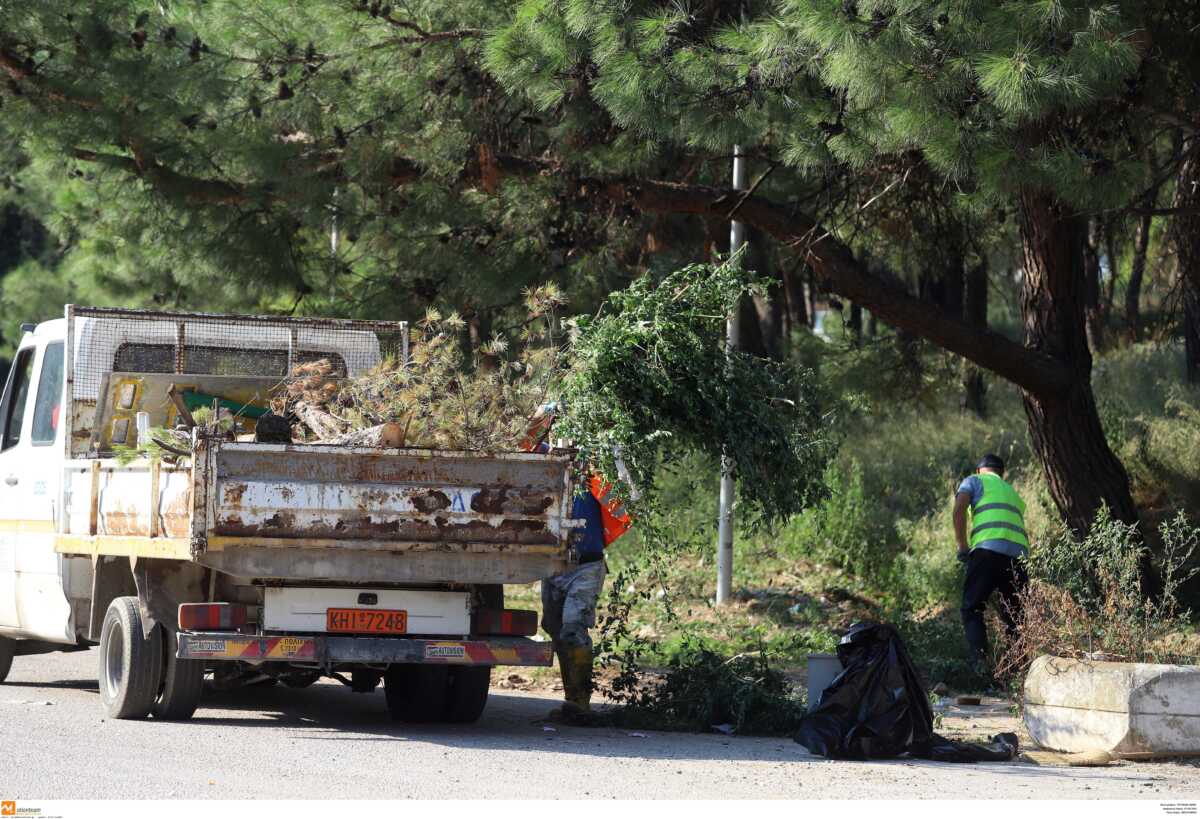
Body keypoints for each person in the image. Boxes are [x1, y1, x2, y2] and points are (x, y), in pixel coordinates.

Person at [521, 403, 632, 722]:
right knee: (555, 629)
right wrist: (545, 411)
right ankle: (572, 699)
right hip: (553, 566)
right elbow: (522, 440)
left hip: (586, 565)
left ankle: (580, 703)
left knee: (572, 630)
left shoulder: (596, 470)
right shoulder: (546, 461)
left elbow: (622, 493)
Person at [952, 454, 1029, 667]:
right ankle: (1018, 671)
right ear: (1001, 473)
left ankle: (980, 668)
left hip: (987, 551)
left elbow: (959, 510)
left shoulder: (974, 481)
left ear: (979, 470)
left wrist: (962, 547)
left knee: (972, 608)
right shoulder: (1012, 492)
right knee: (1016, 617)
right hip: (1019, 558)